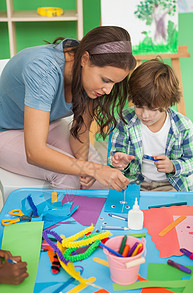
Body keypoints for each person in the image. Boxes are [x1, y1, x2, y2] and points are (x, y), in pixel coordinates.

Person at [0, 26, 136, 191]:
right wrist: (88, 169)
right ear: (84, 59)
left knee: (95, 168)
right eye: (105, 80)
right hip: (6, 131)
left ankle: (93, 216)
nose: (108, 90)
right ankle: (60, 216)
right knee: (68, 174)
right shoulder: (43, 71)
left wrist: (88, 168)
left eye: (115, 83)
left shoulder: (88, 76)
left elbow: (81, 132)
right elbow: (35, 152)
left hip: (47, 124)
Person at [108, 59, 193, 192]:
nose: (145, 115)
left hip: (171, 184)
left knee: (176, 211)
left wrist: (173, 166)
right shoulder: (125, 120)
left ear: (167, 103)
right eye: (138, 106)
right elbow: (114, 157)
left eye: (153, 109)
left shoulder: (183, 126)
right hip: (136, 184)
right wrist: (120, 162)